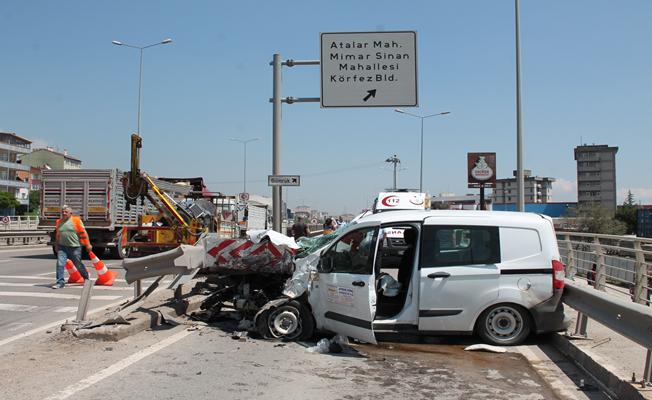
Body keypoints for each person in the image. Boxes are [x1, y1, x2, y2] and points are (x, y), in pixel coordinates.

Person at [52, 205, 92, 289]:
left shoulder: (76, 221)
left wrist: (88, 244)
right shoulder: (59, 222)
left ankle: (86, 278)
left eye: (66, 212)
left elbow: (84, 233)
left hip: (75, 247)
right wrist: (56, 245)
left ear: (71, 213)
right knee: (60, 264)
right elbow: (58, 235)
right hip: (62, 247)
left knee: (78, 265)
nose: (64, 213)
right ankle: (60, 282)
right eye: (62, 212)